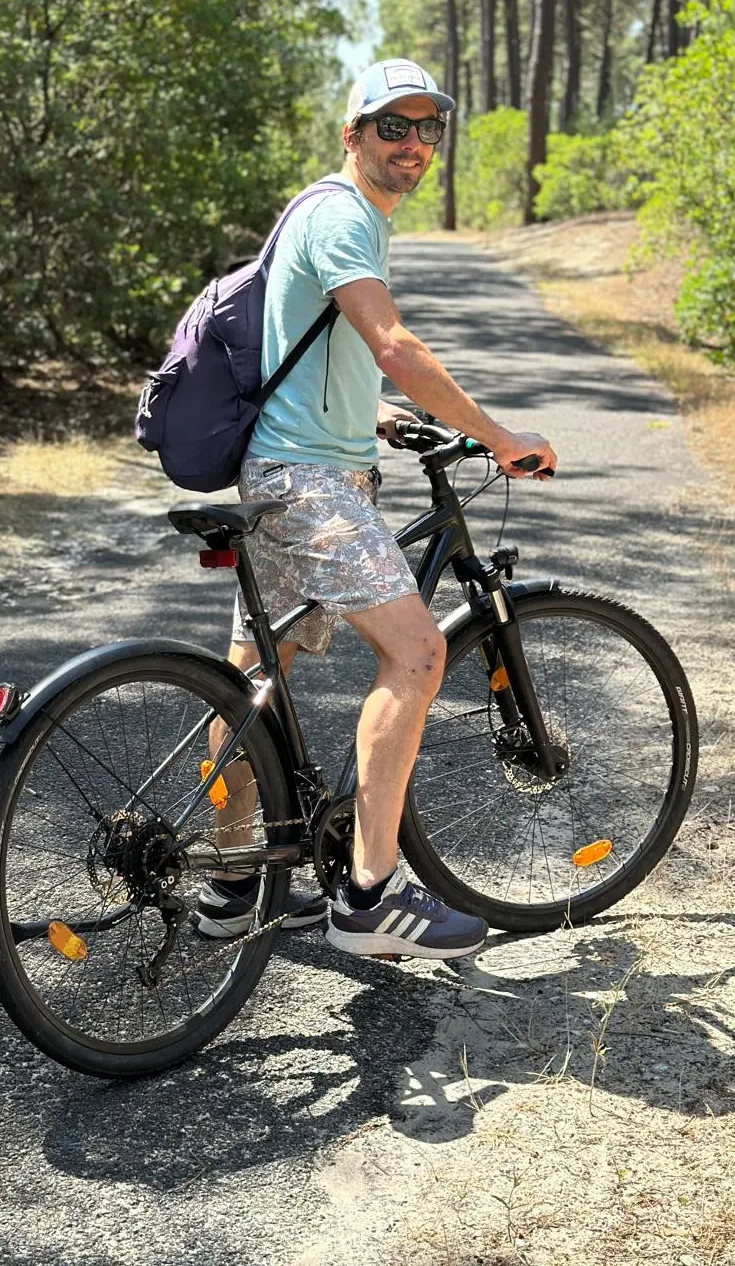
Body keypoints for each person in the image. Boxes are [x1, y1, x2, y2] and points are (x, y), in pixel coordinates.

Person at [195, 58, 558, 960]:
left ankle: (231, 883)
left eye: (428, 128)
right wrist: (496, 435)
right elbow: (391, 342)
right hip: (309, 486)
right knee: (420, 652)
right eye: (392, 126)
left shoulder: (331, 212)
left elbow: (323, 351)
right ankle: (369, 896)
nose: (413, 144)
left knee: (252, 681)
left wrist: (375, 417)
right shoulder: (344, 215)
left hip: (284, 469)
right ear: (352, 135)